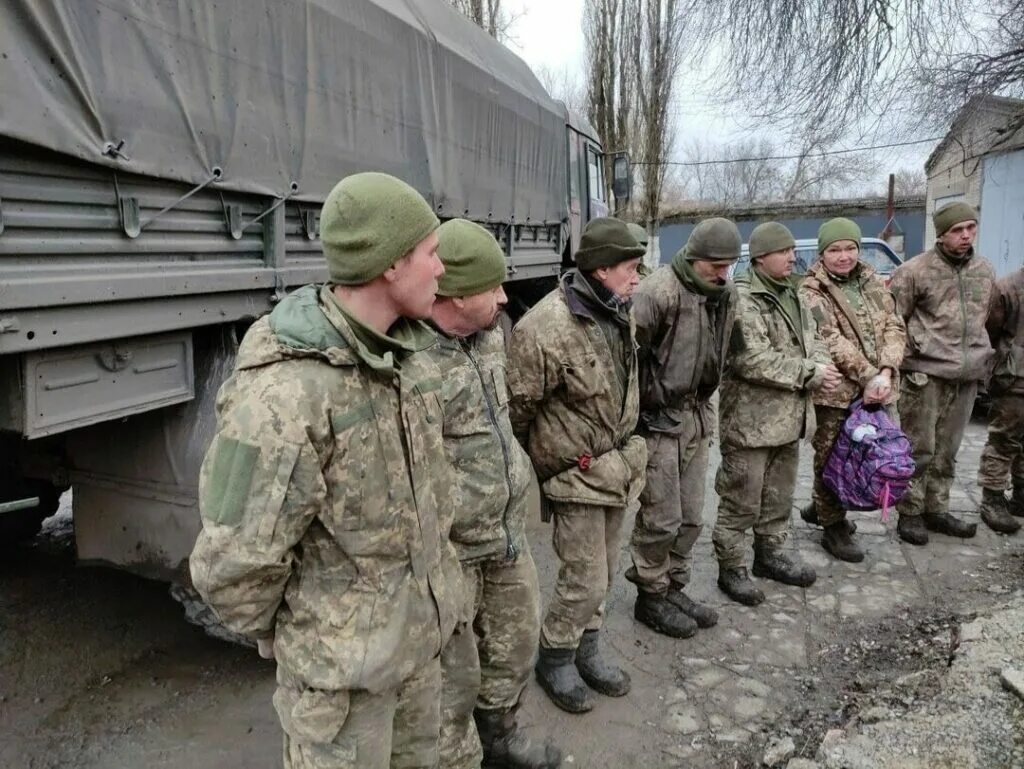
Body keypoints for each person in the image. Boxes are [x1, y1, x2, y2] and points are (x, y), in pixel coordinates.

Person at [189, 172, 463, 769]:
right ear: (391, 264)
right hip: (343, 696)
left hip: (418, 659)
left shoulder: (406, 356)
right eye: (431, 253)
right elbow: (234, 564)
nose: (442, 269)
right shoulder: (283, 394)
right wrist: (307, 641)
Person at [430, 219, 562, 769]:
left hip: (505, 536)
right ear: (455, 295)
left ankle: (501, 740)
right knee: (448, 681)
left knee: (514, 647)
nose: (505, 297)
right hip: (452, 553)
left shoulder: (489, 336)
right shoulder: (410, 361)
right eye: (492, 287)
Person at [508, 217, 647, 714]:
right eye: (631, 268)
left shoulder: (617, 308)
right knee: (582, 577)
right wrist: (554, 463)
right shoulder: (544, 328)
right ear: (602, 269)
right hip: (576, 473)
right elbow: (520, 409)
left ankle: (588, 649)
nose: (638, 277)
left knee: (605, 572)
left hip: (619, 467)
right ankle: (556, 656)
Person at [713, 222, 842, 606]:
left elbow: (816, 339)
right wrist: (809, 373)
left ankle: (771, 554)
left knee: (779, 499)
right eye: (783, 251)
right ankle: (732, 567)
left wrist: (820, 365)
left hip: (789, 420)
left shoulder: (795, 293)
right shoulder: (743, 299)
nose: (791, 257)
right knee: (741, 500)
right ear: (759, 257)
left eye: (791, 251)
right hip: (751, 424)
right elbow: (750, 359)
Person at [626, 217, 740, 637]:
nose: (722, 272)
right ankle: (650, 594)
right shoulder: (657, 292)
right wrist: (637, 421)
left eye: (728, 265)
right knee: (661, 516)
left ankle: (674, 585)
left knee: (692, 515)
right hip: (659, 421)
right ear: (694, 257)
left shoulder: (725, 295)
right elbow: (629, 362)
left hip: (697, 414)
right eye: (715, 264)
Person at [798, 218, 907, 561]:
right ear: (822, 253)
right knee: (830, 458)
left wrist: (887, 370)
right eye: (835, 250)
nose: (843, 256)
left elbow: (893, 324)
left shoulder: (871, 279)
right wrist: (869, 376)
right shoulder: (811, 291)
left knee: (868, 454)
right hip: (837, 394)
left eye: (850, 248)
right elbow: (829, 339)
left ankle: (825, 506)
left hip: (881, 386)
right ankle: (832, 525)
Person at [889, 202, 996, 545]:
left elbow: (983, 318)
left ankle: (937, 509)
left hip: (966, 376)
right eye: (957, 230)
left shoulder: (984, 270)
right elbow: (893, 321)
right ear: (942, 233)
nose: (965, 235)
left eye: (970, 228)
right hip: (925, 375)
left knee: (948, 450)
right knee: (919, 449)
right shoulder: (914, 271)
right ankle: (910, 513)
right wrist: (904, 362)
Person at [976, 267, 1024, 534]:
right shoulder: (1007, 288)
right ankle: (992, 498)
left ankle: (1021, 495)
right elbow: (990, 330)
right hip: (1014, 379)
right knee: (1004, 439)